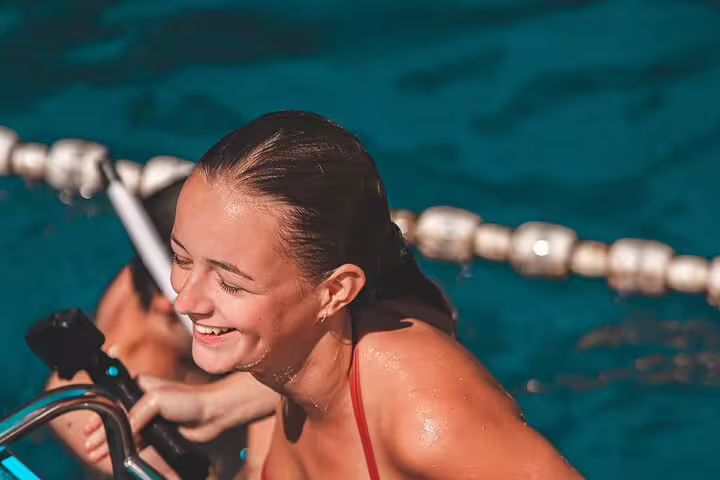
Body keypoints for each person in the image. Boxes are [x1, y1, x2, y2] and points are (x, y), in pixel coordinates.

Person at [85, 111, 583, 479]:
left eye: (231, 283)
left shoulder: (425, 417)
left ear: (334, 292)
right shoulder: (285, 363)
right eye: (182, 259)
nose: (187, 302)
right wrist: (216, 405)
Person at [46, 178, 278, 479]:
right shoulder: (107, 411)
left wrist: (218, 403)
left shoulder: (138, 275)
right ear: (174, 304)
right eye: (234, 284)